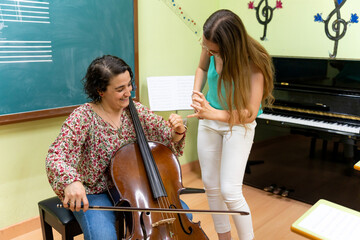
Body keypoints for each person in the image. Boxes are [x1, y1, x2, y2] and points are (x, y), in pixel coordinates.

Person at [45, 55, 187, 240]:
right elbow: (56, 155)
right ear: (101, 91)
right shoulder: (83, 117)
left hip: (136, 186)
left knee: (184, 216)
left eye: (129, 84)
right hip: (96, 192)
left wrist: (177, 131)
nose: (128, 92)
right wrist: (71, 181)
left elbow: (165, 135)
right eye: (120, 89)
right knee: (103, 237)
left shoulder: (135, 110)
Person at [188, 9, 274, 240]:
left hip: (238, 124)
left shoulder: (255, 63)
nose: (208, 51)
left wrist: (212, 113)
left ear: (230, 47)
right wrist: (196, 92)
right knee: (211, 186)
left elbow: (249, 114)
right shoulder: (210, 45)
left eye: (214, 50)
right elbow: (202, 69)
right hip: (210, 118)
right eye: (207, 48)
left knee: (230, 190)